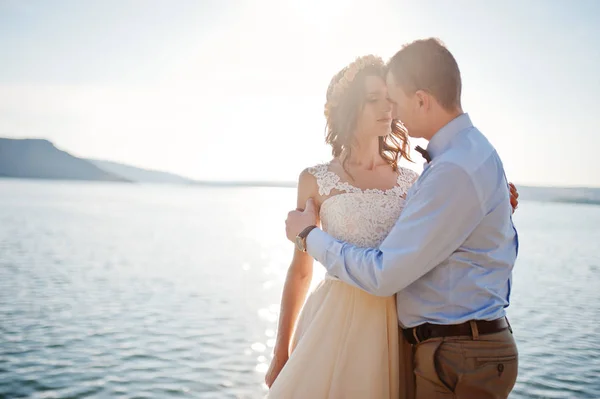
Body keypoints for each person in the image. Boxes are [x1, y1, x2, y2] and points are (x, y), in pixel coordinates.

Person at [274, 43, 520, 398]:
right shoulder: (315, 179)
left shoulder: (416, 180)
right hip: (334, 322)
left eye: (390, 98)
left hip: (398, 328)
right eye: (374, 99)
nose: (388, 108)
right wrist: (280, 351)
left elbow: (436, 234)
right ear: (349, 107)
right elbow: (299, 271)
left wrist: (489, 203)